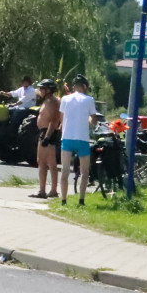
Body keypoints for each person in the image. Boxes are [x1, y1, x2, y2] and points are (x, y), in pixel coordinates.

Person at [59, 74, 96, 206]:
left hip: (67, 137)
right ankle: (81, 200)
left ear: (74, 86)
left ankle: (63, 200)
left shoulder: (65, 99)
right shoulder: (89, 99)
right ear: (85, 86)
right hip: (82, 138)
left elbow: (62, 118)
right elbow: (93, 120)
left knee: (65, 170)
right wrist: (89, 120)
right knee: (84, 171)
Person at [30, 79, 61, 199]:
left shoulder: (52, 102)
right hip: (45, 132)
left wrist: (47, 137)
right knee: (43, 162)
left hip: (48, 133)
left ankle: (49, 190)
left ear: (48, 90)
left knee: (48, 163)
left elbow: (54, 120)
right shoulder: (48, 101)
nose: (40, 91)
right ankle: (45, 190)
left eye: (42, 89)